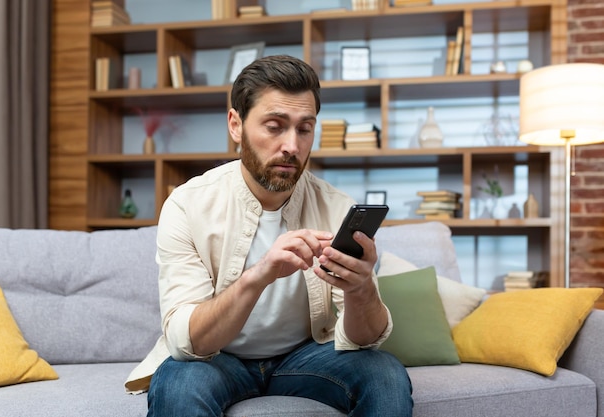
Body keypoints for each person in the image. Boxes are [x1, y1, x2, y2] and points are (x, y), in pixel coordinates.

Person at [126, 54, 413, 416]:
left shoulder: (338, 208)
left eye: (304, 128)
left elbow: (364, 339)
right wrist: (260, 275)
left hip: (305, 356)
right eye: (275, 126)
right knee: (178, 382)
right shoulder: (187, 205)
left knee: (385, 374)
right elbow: (186, 340)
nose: (292, 145)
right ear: (235, 124)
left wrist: (361, 289)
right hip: (219, 358)